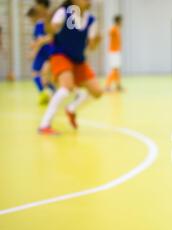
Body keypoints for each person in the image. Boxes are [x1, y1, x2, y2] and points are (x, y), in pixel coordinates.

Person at [38, 0, 102, 135]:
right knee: (66, 87)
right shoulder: (64, 13)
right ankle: (44, 124)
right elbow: (51, 30)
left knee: (97, 91)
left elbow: (91, 46)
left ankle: (71, 108)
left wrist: (96, 41)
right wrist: (48, 21)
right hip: (61, 55)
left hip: (78, 60)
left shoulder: (91, 20)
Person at [27, 6, 55, 105]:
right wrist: (34, 46)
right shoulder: (38, 25)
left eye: (31, 18)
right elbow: (36, 39)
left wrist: (36, 46)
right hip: (41, 53)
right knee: (36, 73)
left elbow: (50, 37)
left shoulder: (46, 23)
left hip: (49, 52)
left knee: (45, 76)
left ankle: (52, 92)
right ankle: (44, 93)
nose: (31, 21)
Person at [105, 15, 123, 92]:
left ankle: (118, 86)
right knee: (114, 70)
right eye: (121, 21)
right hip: (113, 52)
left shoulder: (117, 29)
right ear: (118, 21)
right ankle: (107, 86)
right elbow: (108, 32)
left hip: (117, 51)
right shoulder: (113, 29)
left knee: (117, 69)